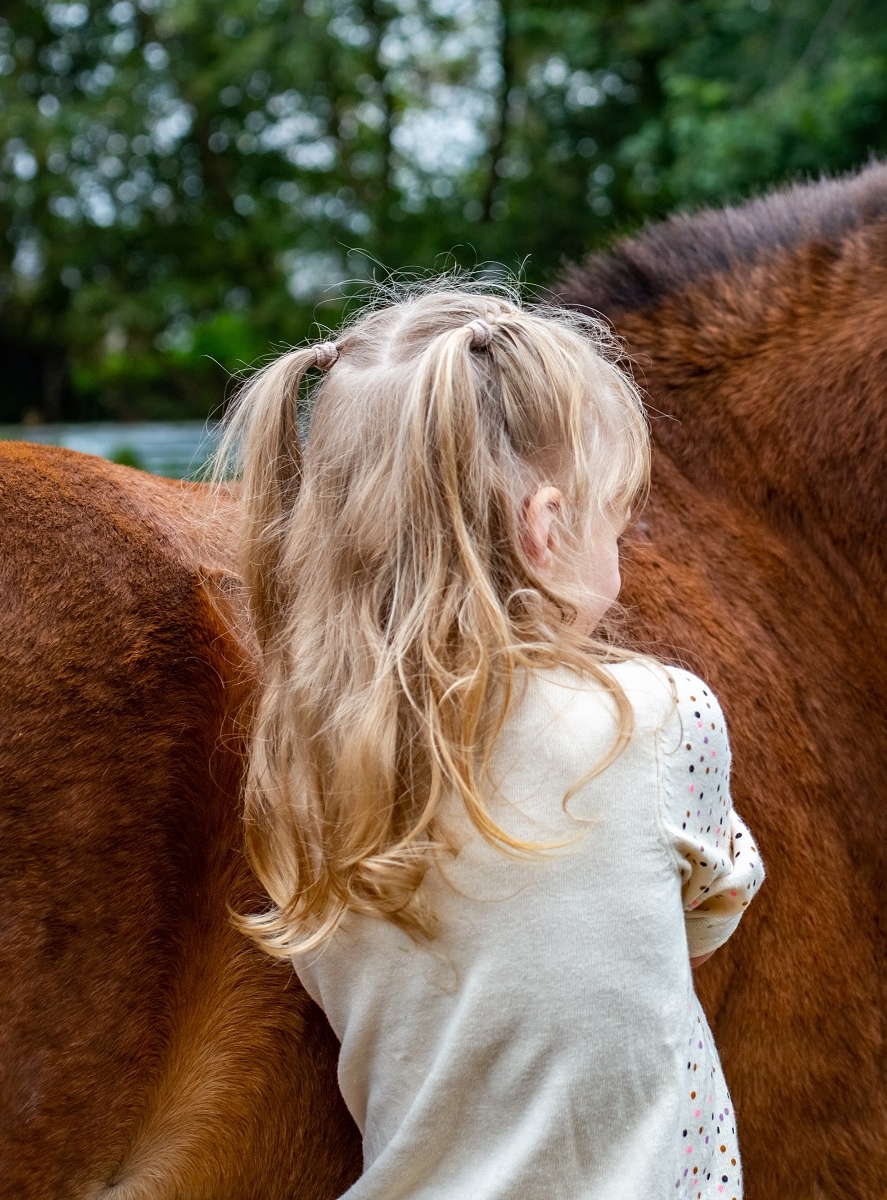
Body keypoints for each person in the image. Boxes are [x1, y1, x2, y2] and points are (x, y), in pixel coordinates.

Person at [216, 282, 765, 1200]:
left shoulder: (300, 762)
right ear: (548, 530)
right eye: (615, 524)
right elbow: (708, 919)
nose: (620, 558)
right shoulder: (662, 718)